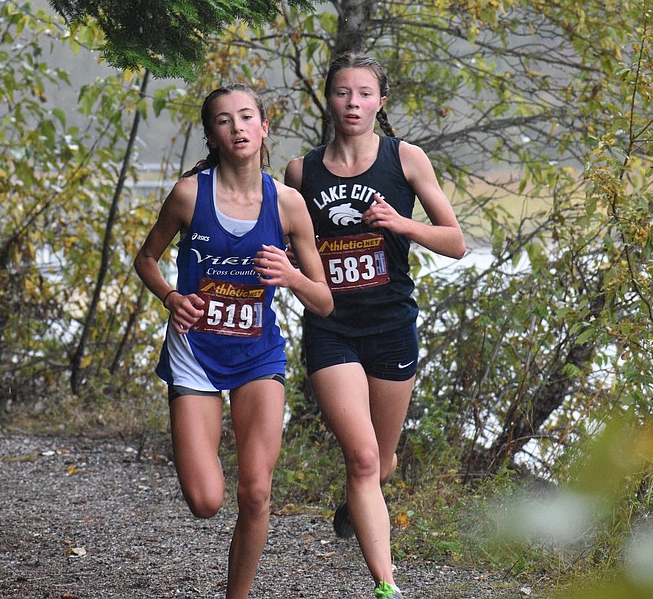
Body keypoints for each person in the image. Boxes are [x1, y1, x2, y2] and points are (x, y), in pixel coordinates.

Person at [133, 84, 333, 599]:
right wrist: (171, 298)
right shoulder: (189, 194)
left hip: (257, 355)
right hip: (195, 356)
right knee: (204, 502)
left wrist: (290, 275)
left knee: (257, 492)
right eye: (224, 121)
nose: (238, 127)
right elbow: (146, 259)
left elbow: (324, 301)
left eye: (247, 117)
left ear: (264, 128)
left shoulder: (287, 205)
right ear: (212, 136)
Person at [285, 52, 466, 599]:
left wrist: (400, 222)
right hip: (331, 327)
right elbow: (288, 243)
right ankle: (387, 587)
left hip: (392, 325)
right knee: (362, 458)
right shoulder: (301, 171)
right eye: (343, 93)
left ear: (380, 102)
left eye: (364, 93)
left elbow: (456, 242)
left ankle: (353, 508)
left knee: (381, 463)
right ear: (329, 101)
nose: (353, 103)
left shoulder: (405, 159)